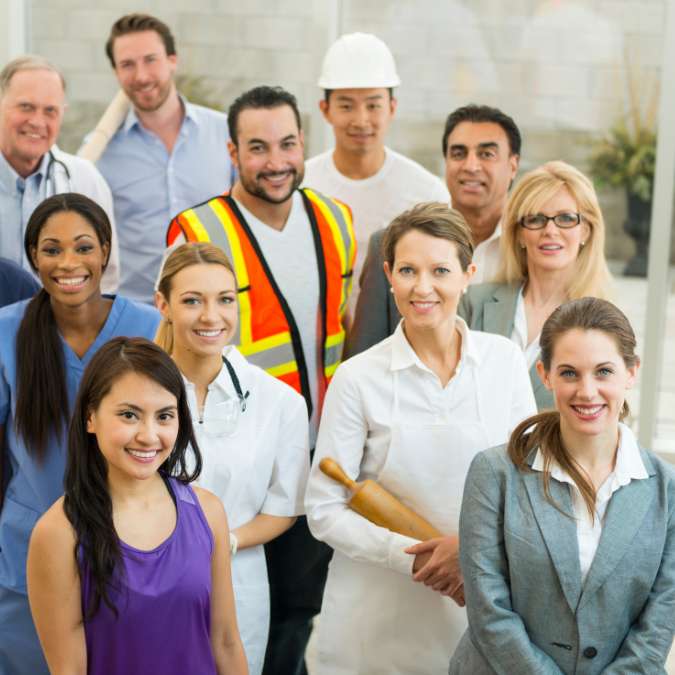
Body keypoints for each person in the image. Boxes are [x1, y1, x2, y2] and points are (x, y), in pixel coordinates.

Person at [166, 85, 355, 675]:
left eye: (287, 144)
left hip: (314, 450)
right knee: (217, 610)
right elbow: (171, 335)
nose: (275, 161)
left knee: (297, 611)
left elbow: (341, 327)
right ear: (232, 151)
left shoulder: (336, 218)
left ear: (305, 144)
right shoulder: (198, 228)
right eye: (257, 147)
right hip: (231, 455)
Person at [305, 202, 536, 675]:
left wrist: (469, 553)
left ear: (468, 273)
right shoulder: (357, 378)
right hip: (371, 621)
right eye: (408, 270)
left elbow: (528, 485)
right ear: (388, 274)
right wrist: (415, 559)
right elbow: (325, 510)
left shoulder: (504, 362)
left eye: (440, 270)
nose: (422, 287)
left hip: (474, 604)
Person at [450, 297, 675, 674]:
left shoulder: (666, 490)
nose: (587, 392)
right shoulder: (494, 473)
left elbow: (659, 621)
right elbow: (489, 610)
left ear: (631, 372)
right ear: (545, 374)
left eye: (603, 371)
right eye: (569, 373)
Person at [0, 193, 159, 675]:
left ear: (106, 252)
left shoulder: (150, 327)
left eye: (84, 247)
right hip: (26, 552)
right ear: (33, 258)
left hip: (131, 546)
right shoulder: (7, 332)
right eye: (51, 250)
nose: (68, 263)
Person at [26, 337, 248, 674]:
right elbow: (68, 669)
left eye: (164, 416)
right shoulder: (58, 533)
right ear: (90, 417)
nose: (148, 435)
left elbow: (226, 641)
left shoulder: (208, 512)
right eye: (129, 415)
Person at [155, 242, 309, 675]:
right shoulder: (137, 393)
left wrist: (223, 544)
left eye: (224, 299)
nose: (211, 316)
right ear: (162, 305)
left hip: (238, 586)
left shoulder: (280, 402)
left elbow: (283, 509)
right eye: (192, 301)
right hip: (147, 582)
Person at [346, 103, 521, 356]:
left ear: (513, 165)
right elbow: (363, 354)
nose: (471, 166)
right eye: (458, 153)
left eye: (486, 154)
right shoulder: (389, 244)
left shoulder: (531, 248)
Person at [94, 13, 235, 304]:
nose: (141, 76)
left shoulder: (226, 133)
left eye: (150, 59)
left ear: (173, 60)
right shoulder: (99, 153)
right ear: (116, 72)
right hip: (137, 317)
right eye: (127, 65)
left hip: (214, 313)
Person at [304, 32, 449, 297]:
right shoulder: (302, 186)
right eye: (346, 106)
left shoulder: (427, 193)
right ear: (325, 109)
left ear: (392, 108)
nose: (361, 120)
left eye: (373, 105)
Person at [459, 161, 613, 410]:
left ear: (585, 231)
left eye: (565, 218)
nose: (550, 230)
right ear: (519, 233)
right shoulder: (472, 303)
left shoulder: (603, 324)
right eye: (536, 219)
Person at [0, 56, 119, 292]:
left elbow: (105, 277)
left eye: (50, 111)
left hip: (63, 328)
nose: (37, 121)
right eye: (26, 107)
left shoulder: (84, 179)